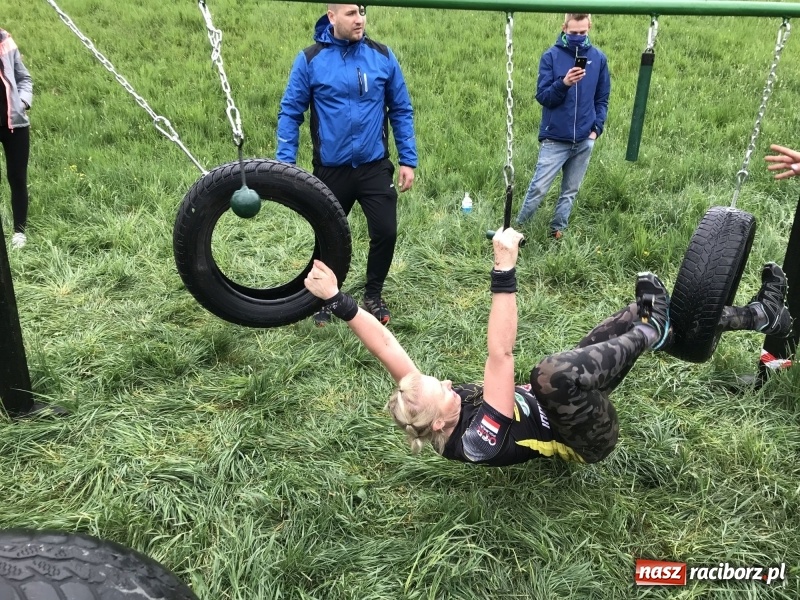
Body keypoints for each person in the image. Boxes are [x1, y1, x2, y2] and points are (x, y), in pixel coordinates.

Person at [303, 227, 792, 466]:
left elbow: (387, 345)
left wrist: (337, 300)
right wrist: (503, 269)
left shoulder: (426, 404)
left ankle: (758, 316)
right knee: (549, 373)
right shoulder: (475, 441)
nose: (450, 383)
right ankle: (652, 333)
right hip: (586, 438)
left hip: (570, 396)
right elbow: (501, 355)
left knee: (631, 316)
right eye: (445, 392)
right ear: (440, 423)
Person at [277, 4, 417, 327]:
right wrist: (284, 165)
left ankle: (373, 293)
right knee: (326, 237)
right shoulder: (311, 60)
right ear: (332, 16)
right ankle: (324, 296)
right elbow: (290, 113)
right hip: (330, 170)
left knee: (386, 231)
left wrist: (407, 158)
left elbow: (401, 109)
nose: (360, 20)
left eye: (363, 13)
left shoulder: (381, 56)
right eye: (352, 13)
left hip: (373, 166)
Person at [515, 13, 610, 240]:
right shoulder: (551, 56)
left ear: (589, 28)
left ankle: (557, 230)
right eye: (573, 32)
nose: (577, 37)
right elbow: (544, 96)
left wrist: (596, 129)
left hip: (585, 138)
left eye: (582, 33)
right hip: (555, 138)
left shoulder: (598, 58)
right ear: (564, 28)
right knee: (539, 188)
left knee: (570, 191)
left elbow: (602, 98)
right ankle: (519, 231)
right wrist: (564, 83)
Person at [0, 27, 33, 250]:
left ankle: (19, 232)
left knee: (17, 179)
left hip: (16, 125)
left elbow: (24, 78)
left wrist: (23, 103)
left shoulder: (6, 41)